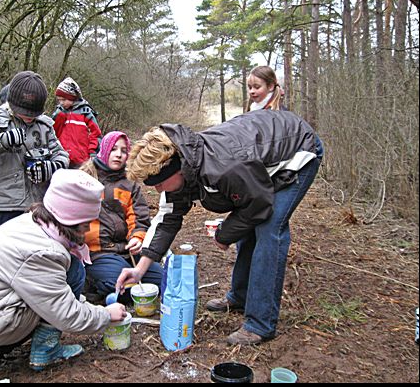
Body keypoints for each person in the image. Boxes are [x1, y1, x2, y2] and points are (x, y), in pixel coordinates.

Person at [117, 109, 324, 346]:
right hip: (257, 163)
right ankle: (240, 296)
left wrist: (224, 234)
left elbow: (258, 204)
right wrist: (139, 271)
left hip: (297, 150)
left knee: (268, 229)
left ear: (174, 168)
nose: (158, 190)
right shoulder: (183, 166)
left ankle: (260, 323)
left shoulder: (224, 166)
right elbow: (166, 221)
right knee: (247, 227)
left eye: (160, 183)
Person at [0, 169, 127, 376]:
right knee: (74, 272)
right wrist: (105, 315)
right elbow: (65, 313)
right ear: (72, 220)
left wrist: (82, 305)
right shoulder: (43, 253)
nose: (88, 229)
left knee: (72, 270)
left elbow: (52, 291)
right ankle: (43, 351)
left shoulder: (34, 222)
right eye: (86, 223)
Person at [0, 71, 70, 227]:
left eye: (33, 113)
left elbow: (62, 155)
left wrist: (52, 167)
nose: (29, 117)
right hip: (8, 205)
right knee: (11, 250)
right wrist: (3, 140)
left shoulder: (44, 125)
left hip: (41, 203)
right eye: (24, 113)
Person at [79, 131, 163, 304]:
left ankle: (122, 287)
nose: (118, 154)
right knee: (116, 283)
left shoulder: (130, 184)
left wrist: (137, 238)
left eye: (124, 151)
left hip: (126, 251)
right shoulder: (84, 178)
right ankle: (92, 283)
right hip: (97, 253)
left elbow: (140, 219)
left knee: (164, 280)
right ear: (104, 150)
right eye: (113, 149)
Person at [51, 77, 102, 168]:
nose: (61, 103)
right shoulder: (59, 113)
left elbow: (95, 134)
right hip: (62, 158)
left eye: (64, 100)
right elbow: (53, 133)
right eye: (59, 100)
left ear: (73, 97)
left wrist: (93, 153)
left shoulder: (85, 113)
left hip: (81, 160)